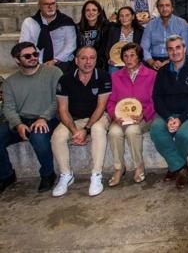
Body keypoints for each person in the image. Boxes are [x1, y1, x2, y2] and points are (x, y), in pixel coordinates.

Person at [150, 35, 188, 190]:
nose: (175, 52)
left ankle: (174, 167)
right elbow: (157, 98)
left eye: (178, 47)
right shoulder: (162, 72)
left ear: (184, 49)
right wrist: (169, 117)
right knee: (156, 130)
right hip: (170, 113)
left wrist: (182, 119)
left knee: (184, 134)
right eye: (170, 49)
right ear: (167, 51)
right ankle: (180, 167)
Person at [0, 42, 62, 193]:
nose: (33, 58)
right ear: (17, 60)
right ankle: (6, 175)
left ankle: (48, 174)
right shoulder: (9, 83)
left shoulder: (54, 72)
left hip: (48, 118)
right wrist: (18, 124)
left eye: (35, 54)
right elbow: (8, 107)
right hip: (21, 120)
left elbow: (59, 99)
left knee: (39, 137)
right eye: (27, 56)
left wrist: (44, 118)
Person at [51, 46, 111, 197]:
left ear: (96, 60)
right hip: (74, 119)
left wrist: (86, 129)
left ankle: (96, 175)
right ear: (76, 61)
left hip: (98, 117)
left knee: (97, 130)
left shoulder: (103, 76)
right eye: (83, 58)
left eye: (92, 58)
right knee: (57, 137)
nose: (88, 62)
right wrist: (74, 131)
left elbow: (101, 106)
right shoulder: (65, 79)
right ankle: (66, 175)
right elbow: (63, 110)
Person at [106, 43, 156, 186]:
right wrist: (115, 115)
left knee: (133, 130)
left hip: (143, 116)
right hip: (122, 117)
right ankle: (119, 168)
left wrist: (144, 114)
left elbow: (156, 100)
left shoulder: (151, 75)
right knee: (114, 132)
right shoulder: (116, 76)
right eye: (125, 56)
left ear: (139, 57)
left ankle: (139, 166)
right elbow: (111, 101)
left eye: (132, 55)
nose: (128, 59)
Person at [20, 0, 76, 72]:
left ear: (56, 5)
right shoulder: (29, 22)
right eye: (46, 4)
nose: (50, 7)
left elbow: (71, 45)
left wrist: (55, 61)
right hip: (36, 62)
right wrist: (36, 61)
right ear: (39, 5)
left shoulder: (66, 21)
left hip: (61, 62)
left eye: (53, 3)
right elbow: (24, 45)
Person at [141, 0, 188, 70]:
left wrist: (169, 61)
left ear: (172, 8)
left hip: (175, 58)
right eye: (161, 6)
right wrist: (151, 62)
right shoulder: (150, 24)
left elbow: (186, 47)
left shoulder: (182, 23)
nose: (164, 8)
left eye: (167, 5)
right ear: (157, 8)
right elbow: (144, 47)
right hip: (154, 60)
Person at [104, 6, 144, 74]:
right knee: (113, 71)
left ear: (133, 17)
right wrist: (109, 59)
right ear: (119, 18)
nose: (124, 18)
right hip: (116, 62)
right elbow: (108, 48)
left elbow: (141, 49)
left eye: (127, 15)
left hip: (133, 62)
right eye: (121, 16)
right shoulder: (113, 30)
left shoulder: (140, 31)